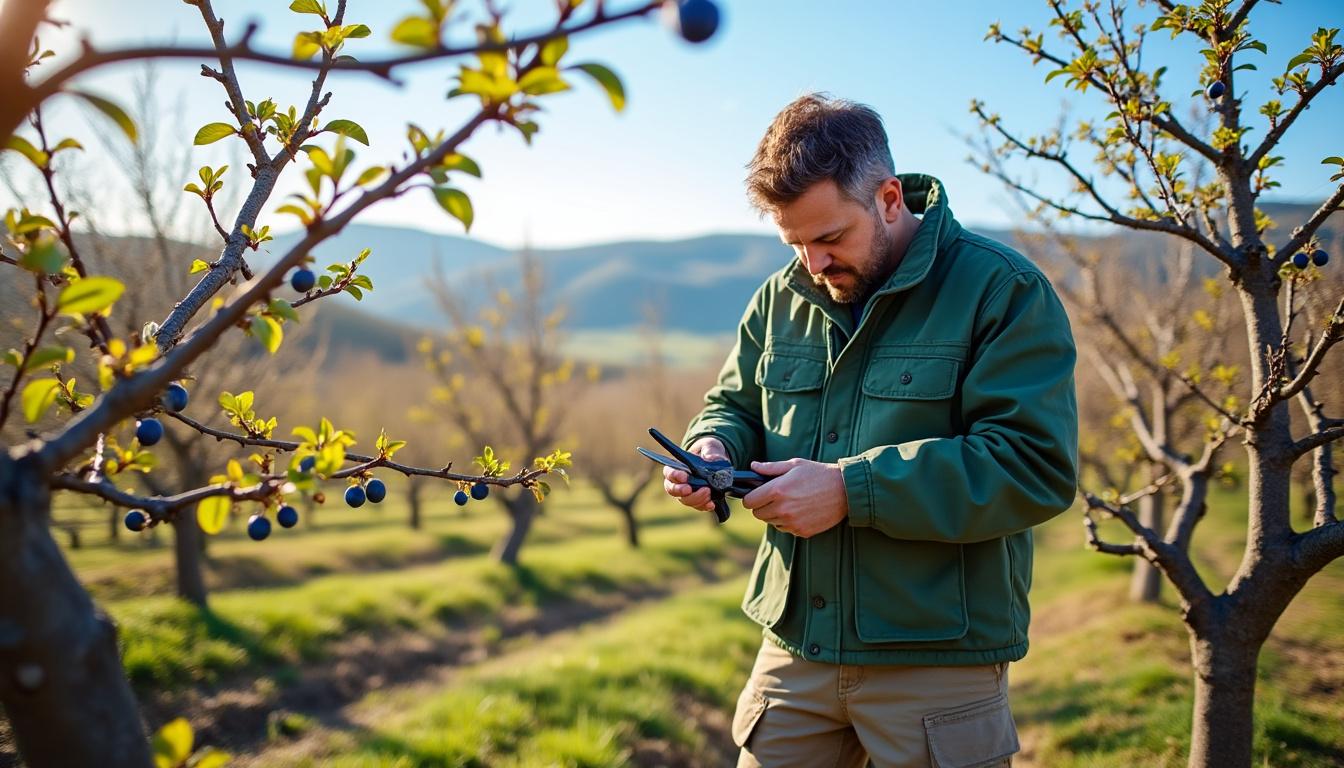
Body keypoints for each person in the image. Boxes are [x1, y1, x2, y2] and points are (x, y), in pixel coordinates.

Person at [662, 93, 1079, 767]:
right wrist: (712, 447)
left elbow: (1032, 465)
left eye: (829, 238)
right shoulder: (779, 299)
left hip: (936, 662)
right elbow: (732, 405)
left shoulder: (1001, 290)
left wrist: (850, 490)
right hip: (796, 649)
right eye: (795, 244)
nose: (813, 265)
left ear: (888, 199)